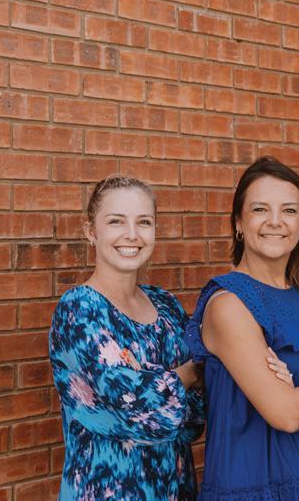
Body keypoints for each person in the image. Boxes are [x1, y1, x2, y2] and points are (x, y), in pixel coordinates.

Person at [184, 157, 299, 500]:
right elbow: (287, 415)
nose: (275, 221)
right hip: (254, 486)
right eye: (260, 209)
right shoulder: (229, 303)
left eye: (289, 211)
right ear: (238, 223)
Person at [49, 176, 204, 500]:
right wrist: (190, 372)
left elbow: (196, 416)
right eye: (116, 221)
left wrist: (153, 381)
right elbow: (139, 410)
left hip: (176, 489)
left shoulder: (166, 305)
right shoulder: (79, 310)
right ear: (91, 231)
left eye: (143, 222)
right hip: (107, 491)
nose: (132, 234)